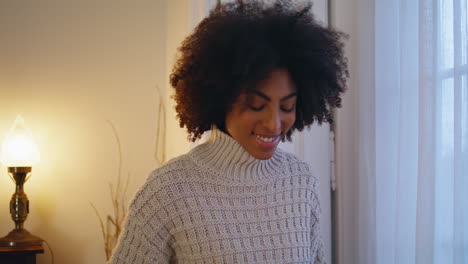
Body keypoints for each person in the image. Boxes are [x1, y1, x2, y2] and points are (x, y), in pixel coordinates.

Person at [109, 0, 348, 263]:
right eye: (256, 105)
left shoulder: (300, 180)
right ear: (220, 98)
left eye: (287, 106)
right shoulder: (168, 191)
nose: (274, 123)